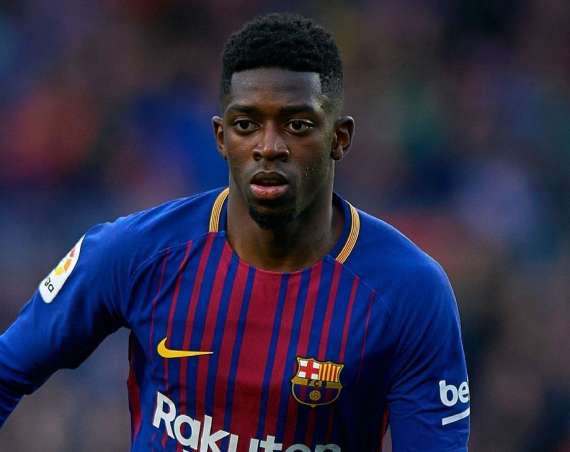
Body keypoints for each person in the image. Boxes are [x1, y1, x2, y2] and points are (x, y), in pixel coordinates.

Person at [0, 13, 470, 451]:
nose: (269, 146)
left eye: (297, 125)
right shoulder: (136, 252)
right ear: (222, 137)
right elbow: (8, 367)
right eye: (247, 124)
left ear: (339, 138)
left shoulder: (409, 292)